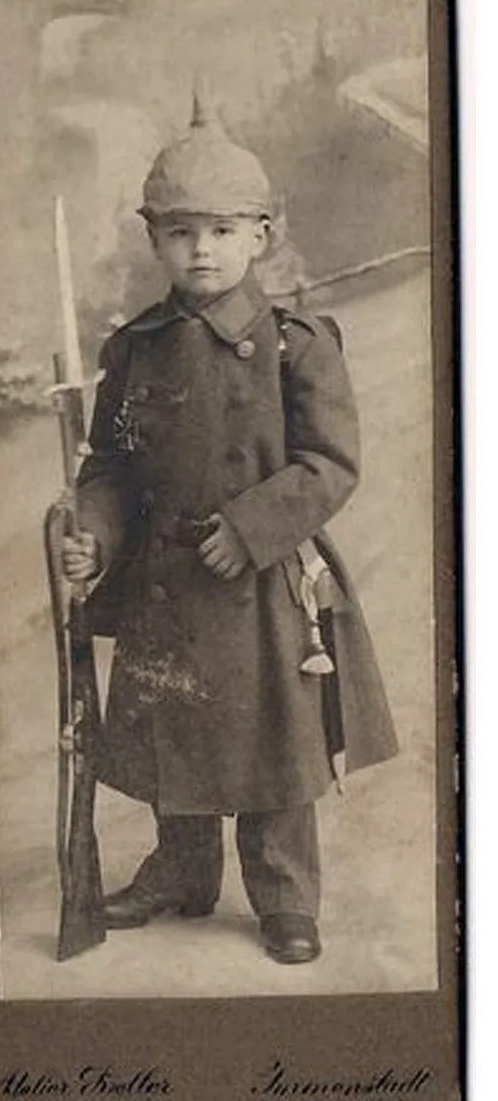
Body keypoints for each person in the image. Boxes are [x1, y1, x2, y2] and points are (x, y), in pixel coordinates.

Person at [62, 93, 398, 966]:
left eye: (219, 230)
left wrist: (251, 529)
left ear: (261, 235)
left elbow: (330, 463)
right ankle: (181, 871)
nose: (200, 250)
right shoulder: (133, 350)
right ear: (154, 241)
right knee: (175, 733)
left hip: (260, 581)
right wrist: (94, 534)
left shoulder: (296, 343)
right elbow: (111, 465)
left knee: (272, 741)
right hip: (165, 585)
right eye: (179, 232)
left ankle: (285, 895)